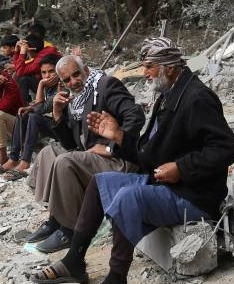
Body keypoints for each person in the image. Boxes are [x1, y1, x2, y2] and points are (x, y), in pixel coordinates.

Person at [32, 37, 234, 284]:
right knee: (100, 182)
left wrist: (182, 168)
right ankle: (74, 260)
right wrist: (118, 136)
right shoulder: (168, 95)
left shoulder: (197, 98)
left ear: (169, 66)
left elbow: (228, 148)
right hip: (166, 183)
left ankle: (116, 282)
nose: (145, 73)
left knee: (130, 198)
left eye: (150, 67)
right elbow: (148, 154)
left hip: (194, 194)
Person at [25, 54, 145, 253]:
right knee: (48, 153)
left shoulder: (106, 86)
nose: (73, 82)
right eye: (67, 80)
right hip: (90, 156)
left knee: (65, 162)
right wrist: (57, 114)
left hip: (118, 160)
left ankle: (71, 229)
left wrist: (110, 146)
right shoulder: (75, 100)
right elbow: (71, 143)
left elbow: (135, 115)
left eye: (76, 75)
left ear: (86, 71)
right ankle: (55, 218)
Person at [1, 54, 62, 179]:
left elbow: (40, 109)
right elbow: (42, 104)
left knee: (34, 117)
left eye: (51, 71)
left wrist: (40, 85)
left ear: (58, 71)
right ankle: (13, 158)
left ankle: (25, 161)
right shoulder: (50, 86)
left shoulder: (62, 85)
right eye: (43, 72)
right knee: (23, 114)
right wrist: (29, 107)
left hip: (64, 129)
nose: (47, 76)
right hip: (55, 123)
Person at [13, 32, 59, 103]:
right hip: (47, 82)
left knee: (23, 80)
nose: (27, 52)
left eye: (27, 50)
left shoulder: (41, 59)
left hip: (52, 85)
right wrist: (17, 51)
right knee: (18, 76)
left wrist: (22, 53)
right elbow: (18, 68)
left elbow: (20, 72)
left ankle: (23, 106)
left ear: (31, 49)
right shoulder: (44, 52)